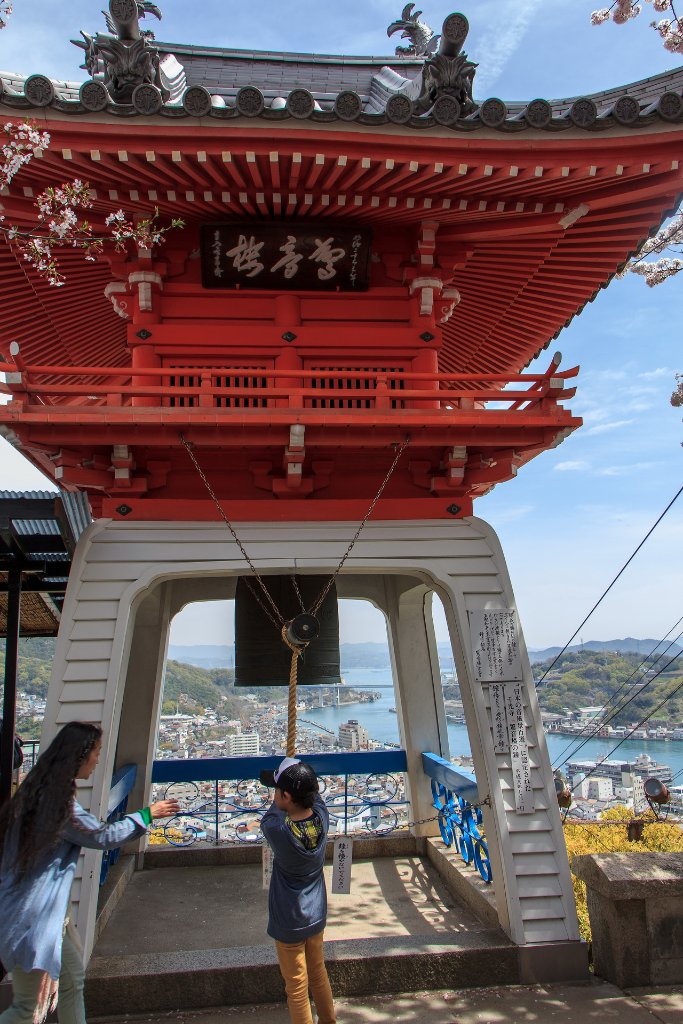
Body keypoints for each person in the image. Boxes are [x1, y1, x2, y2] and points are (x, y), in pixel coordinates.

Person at [0, 721, 179, 1024]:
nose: (97, 760)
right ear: (78, 756)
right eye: (95, 753)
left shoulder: (36, 794)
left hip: (43, 916)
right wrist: (148, 813)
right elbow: (102, 836)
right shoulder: (58, 807)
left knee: (71, 981)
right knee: (28, 1008)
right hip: (32, 920)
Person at [260, 756, 336, 1024]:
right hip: (316, 912)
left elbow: (274, 812)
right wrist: (298, 776)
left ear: (286, 796)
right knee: (318, 973)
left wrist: (287, 784)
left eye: (277, 790)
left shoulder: (277, 829)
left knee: (296, 986)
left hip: (289, 917)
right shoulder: (323, 820)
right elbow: (315, 798)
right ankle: (329, 1020)